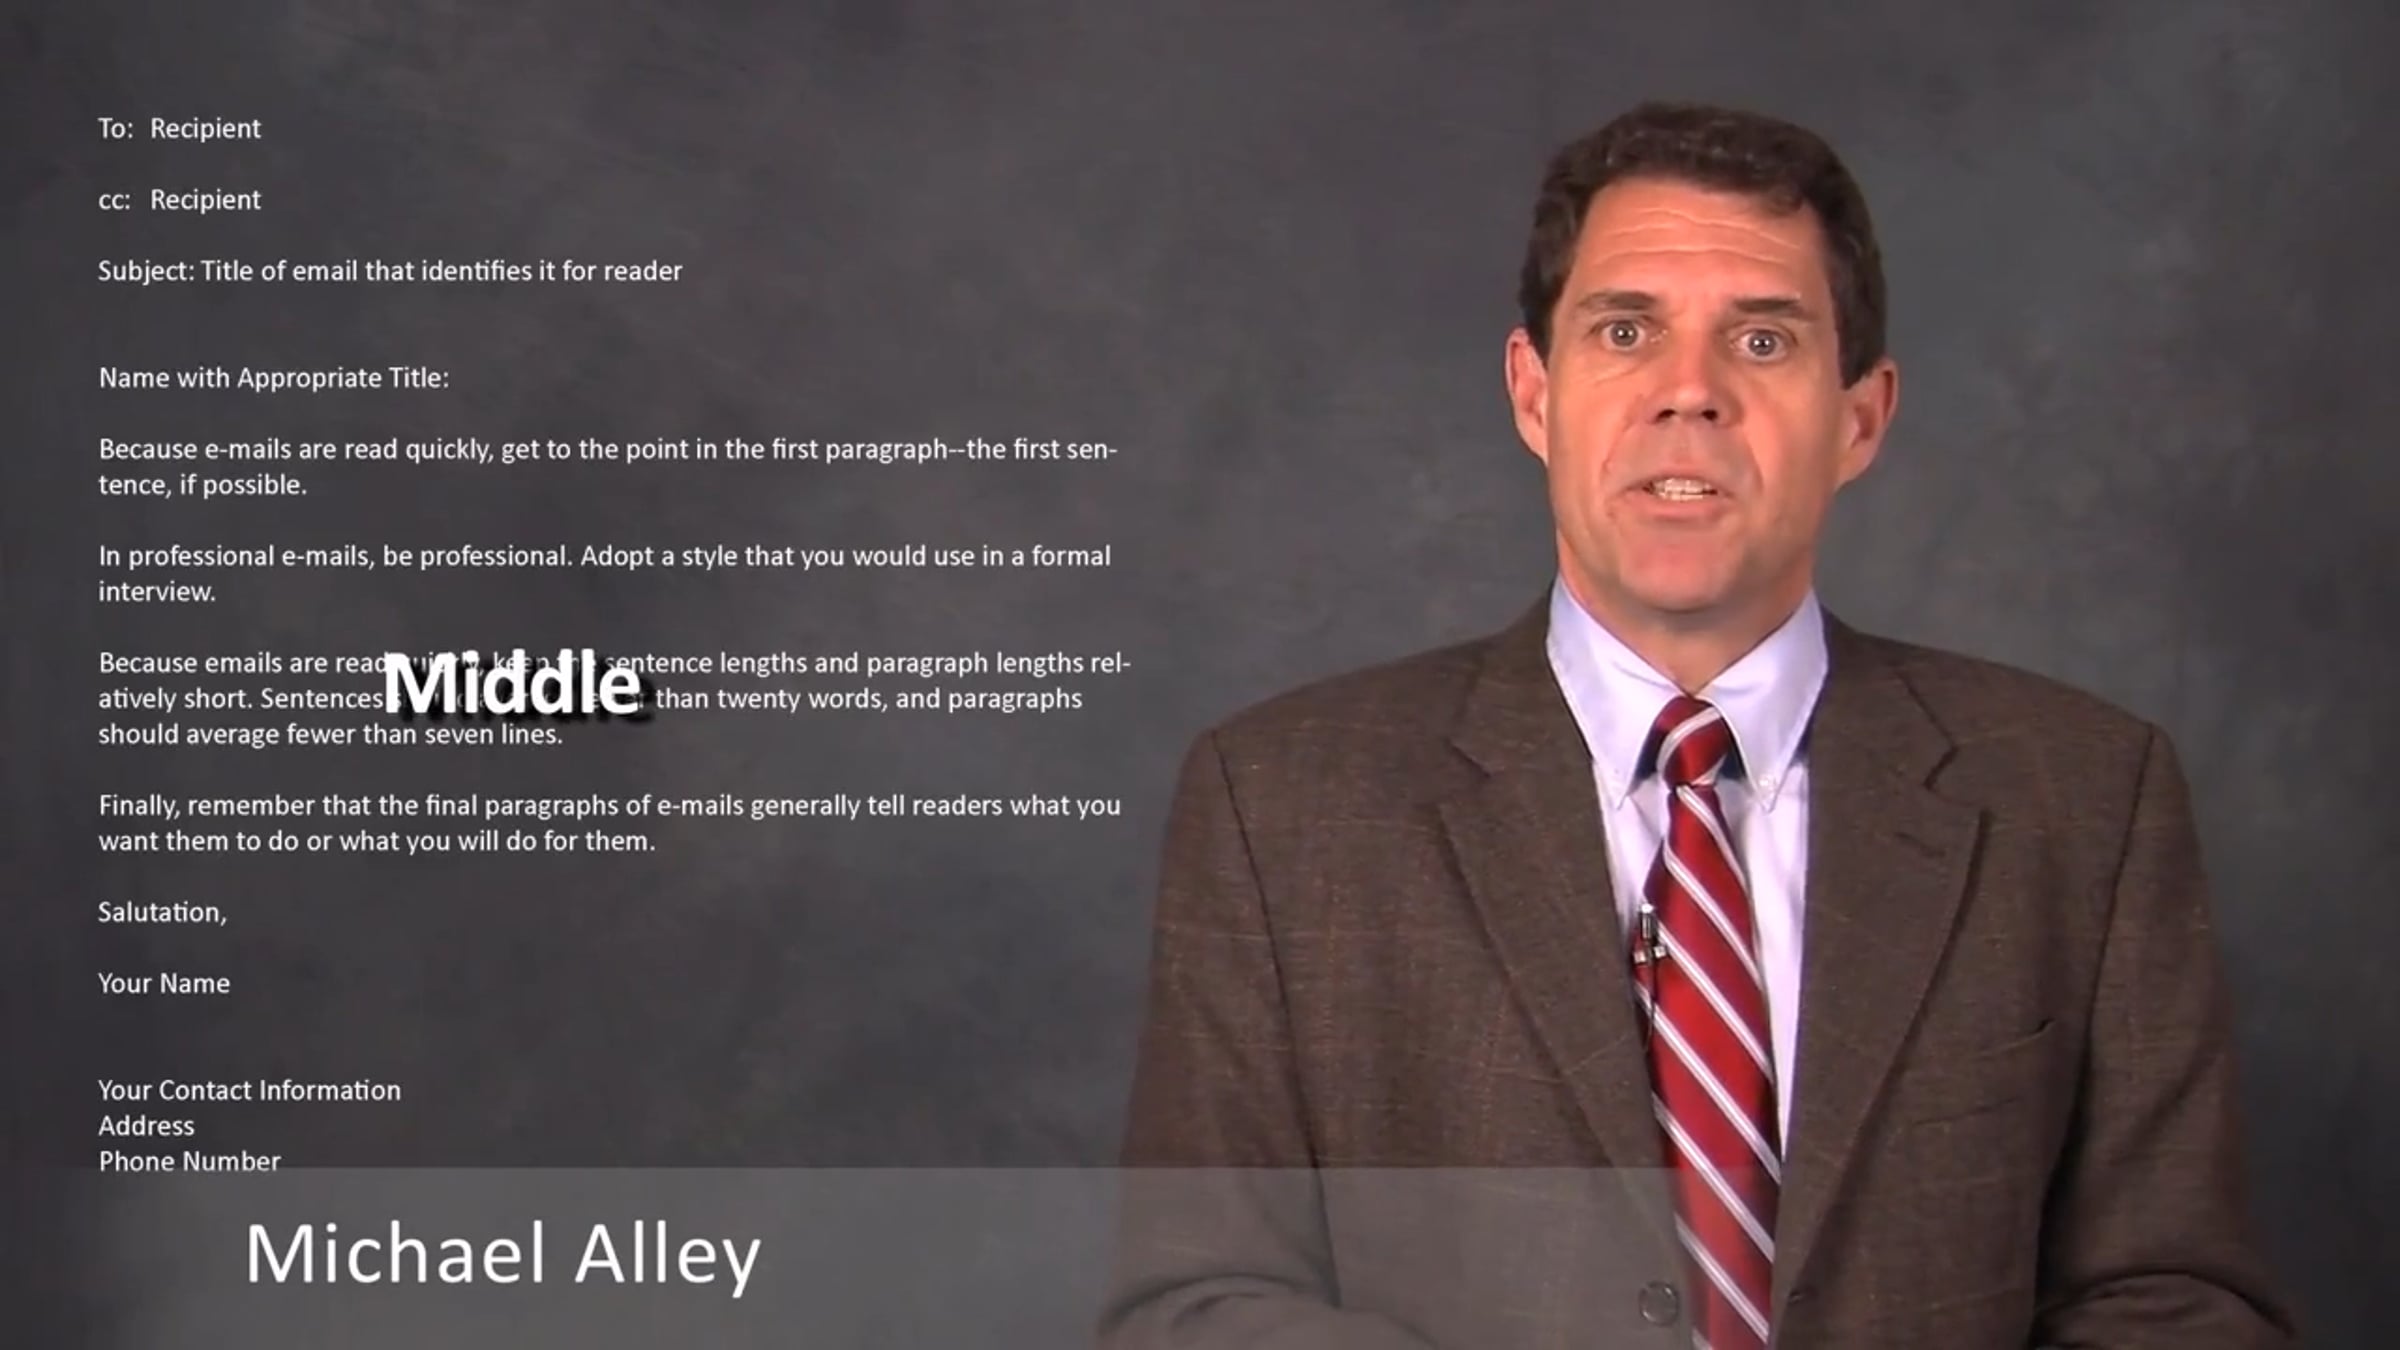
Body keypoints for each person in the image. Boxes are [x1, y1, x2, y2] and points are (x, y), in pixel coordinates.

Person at [1097, 101, 2294, 1349]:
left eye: (1763, 340)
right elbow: (1196, 1306)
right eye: (1626, 331)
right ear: (1534, 394)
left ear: (1862, 418)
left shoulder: (2084, 798)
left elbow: (2177, 1302)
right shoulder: (1281, 807)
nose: (1689, 394)